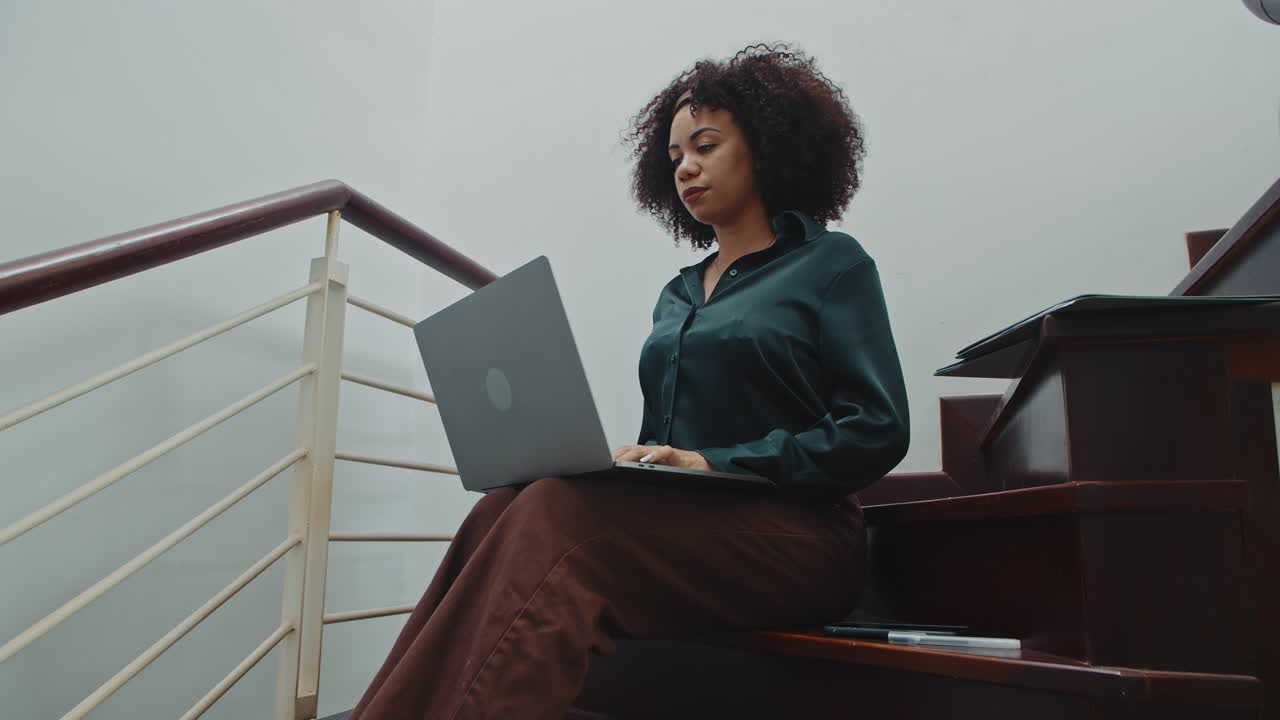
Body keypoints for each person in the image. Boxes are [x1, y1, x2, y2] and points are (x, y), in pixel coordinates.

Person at [349, 42, 909, 720]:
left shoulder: (831, 266)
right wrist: (633, 465)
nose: (687, 168)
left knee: (562, 521)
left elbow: (877, 430)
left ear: (766, 146)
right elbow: (672, 443)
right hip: (694, 527)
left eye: (705, 145)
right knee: (502, 507)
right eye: (674, 157)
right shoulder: (676, 294)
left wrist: (715, 462)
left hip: (798, 537)